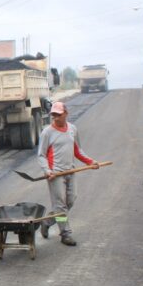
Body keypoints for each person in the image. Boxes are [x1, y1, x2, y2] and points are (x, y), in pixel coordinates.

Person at [37, 101, 100, 246]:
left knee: (70, 200)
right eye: (53, 115)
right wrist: (47, 171)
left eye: (58, 115)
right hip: (55, 175)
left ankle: (47, 222)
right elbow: (41, 155)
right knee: (60, 205)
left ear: (66, 113)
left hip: (70, 171)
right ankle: (65, 234)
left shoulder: (72, 129)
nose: (56, 118)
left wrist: (90, 162)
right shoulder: (47, 132)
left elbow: (77, 150)